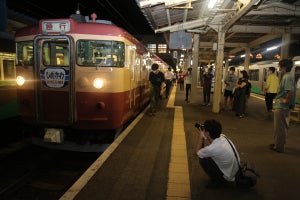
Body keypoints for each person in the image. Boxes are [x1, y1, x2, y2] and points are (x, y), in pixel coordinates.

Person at [194, 119, 240, 189]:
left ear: (208, 133)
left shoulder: (212, 148)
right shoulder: (223, 136)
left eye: (204, 130)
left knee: (202, 159)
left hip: (228, 176)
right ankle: (222, 176)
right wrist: (206, 135)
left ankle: (219, 180)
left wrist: (201, 136)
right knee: (207, 154)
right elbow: (211, 144)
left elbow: (197, 153)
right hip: (235, 169)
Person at [270, 59, 296, 153]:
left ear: (284, 67)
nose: (278, 67)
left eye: (279, 65)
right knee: (281, 127)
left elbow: (290, 91)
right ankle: (279, 144)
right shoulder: (288, 76)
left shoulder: (287, 77)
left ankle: (279, 147)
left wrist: (285, 100)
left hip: (282, 107)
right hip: (283, 106)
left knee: (280, 128)